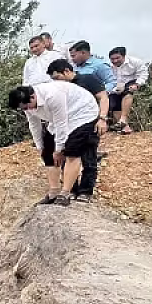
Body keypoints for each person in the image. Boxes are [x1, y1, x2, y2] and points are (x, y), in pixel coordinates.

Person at [8, 82, 100, 206]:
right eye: (24, 109)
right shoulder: (26, 104)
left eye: (27, 106)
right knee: (48, 153)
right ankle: (54, 191)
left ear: (32, 96)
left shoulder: (52, 95)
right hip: (59, 118)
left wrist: (59, 150)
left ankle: (65, 193)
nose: (28, 110)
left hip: (82, 114)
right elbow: (34, 125)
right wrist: (40, 147)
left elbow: (61, 123)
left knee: (72, 152)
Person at [47, 59, 109, 202]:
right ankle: (71, 190)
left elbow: (103, 98)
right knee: (66, 155)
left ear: (67, 71)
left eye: (57, 77)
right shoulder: (59, 88)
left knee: (89, 157)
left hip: (88, 121)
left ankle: (86, 191)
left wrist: (102, 118)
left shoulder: (87, 79)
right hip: (69, 125)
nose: (56, 81)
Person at [108, 47, 149, 134]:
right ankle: (124, 127)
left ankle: (123, 119)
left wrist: (137, 84)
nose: (115, 61)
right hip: (116, 86)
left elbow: (143, 73)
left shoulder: (135, 62)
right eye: (112, 59)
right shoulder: (108, 66)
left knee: (128, 92)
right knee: (113, 103)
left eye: (117, 58)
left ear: (124, 56)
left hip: (132, 83)